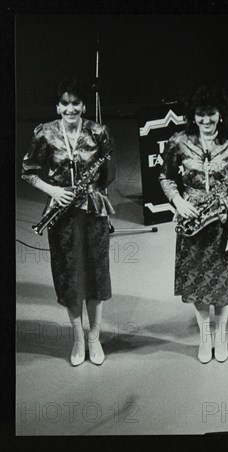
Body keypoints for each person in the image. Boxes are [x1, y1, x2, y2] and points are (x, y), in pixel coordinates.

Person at [21, 77, 116, 366]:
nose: (70, 108)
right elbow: (28, 171)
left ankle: (94, 338)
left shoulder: (99, 132)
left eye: (76, 103)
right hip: (61, 214)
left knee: (95, 276)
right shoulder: (45, 134)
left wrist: (90, 191)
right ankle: (77, 339)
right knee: (69, 277)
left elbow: (108, 173)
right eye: (65, 103)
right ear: (58, 106)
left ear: (84, 105)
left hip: (92, 212)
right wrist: (53, 190)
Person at [159, 85, 228, 364]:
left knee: (222, 283)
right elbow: (165, 176)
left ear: (221, 114)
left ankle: (220, 334)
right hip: (191, 221)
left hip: (222, 222)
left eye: (211, 114)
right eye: (201, 114)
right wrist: (176, 200)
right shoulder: (178, 142)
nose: (206, 120)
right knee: (196, 281)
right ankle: (204, 335)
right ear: (193, 116)